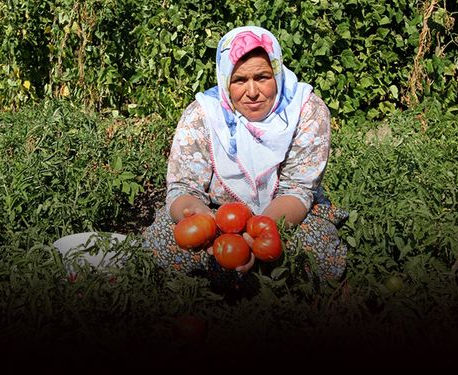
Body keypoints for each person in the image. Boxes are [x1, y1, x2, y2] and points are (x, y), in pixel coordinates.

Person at [141, 25, 348, 292]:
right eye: (239, 80)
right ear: (225, 79)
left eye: (262, 77)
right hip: (218, 217)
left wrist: (259, 234)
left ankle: (230, 283)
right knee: (162, 241)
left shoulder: (306, 111)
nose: (252, 92)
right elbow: (184, 186)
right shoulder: (203, 115)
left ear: (277, 72)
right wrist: (198, 218)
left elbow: (298, 189)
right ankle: (256, 283)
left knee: (315, 250)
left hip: (285, 216)